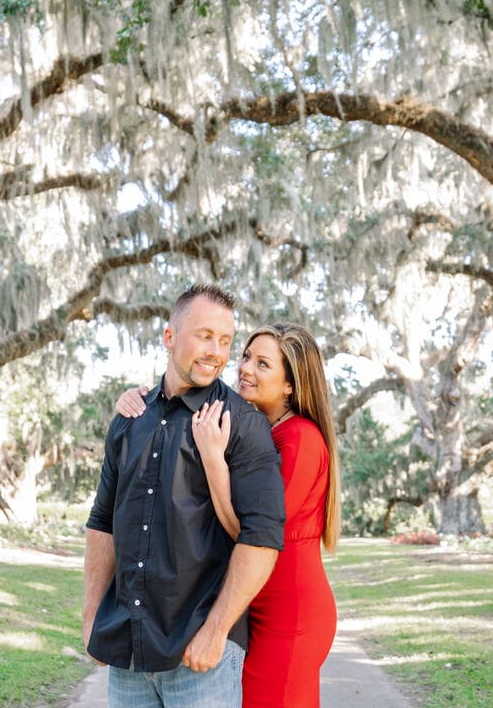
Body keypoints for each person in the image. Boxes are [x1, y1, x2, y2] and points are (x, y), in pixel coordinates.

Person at [116, 322, 342, 708]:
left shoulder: (299, 439)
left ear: (290, 384)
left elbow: (255, 532)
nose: (246, 369)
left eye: (263, 364)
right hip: (253, 605)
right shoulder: (259, 431)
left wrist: (213, 460)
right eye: (246, 356)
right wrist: (138, 400)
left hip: (287, 612)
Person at [83, 284, 286, 708]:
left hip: (200, 657)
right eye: (205, 335)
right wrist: (90, 620)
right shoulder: (129, 417)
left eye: (226, 340)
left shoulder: (243, 424)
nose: (217, 351)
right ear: (170, 337)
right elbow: (102, 522)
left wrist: (216, 632)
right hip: (128, 653)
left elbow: (262, 538)